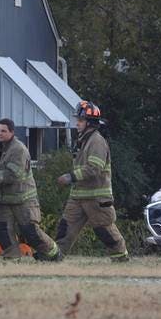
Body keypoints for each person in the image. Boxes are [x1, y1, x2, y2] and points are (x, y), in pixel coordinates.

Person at [55, 101, 129, 261]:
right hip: (78, 196)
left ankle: (121, 258)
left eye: (80, 120)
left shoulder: (97, 141)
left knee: (104, 230)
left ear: (89, 123)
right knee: (65, 228)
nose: (77, 123)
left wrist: (70, 177)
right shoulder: (83, 141)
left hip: (97, 198)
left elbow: (94, 168)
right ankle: (55, 258)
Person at [0, 118, 61, 261]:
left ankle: (52, 253)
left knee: (30, 231)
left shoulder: (19, 149)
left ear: (12, 132)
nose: (0, 133)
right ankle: (11, 257)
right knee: (3, 229)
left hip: (23, 199)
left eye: (3, 131)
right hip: (4, 199)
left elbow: (13, 175)